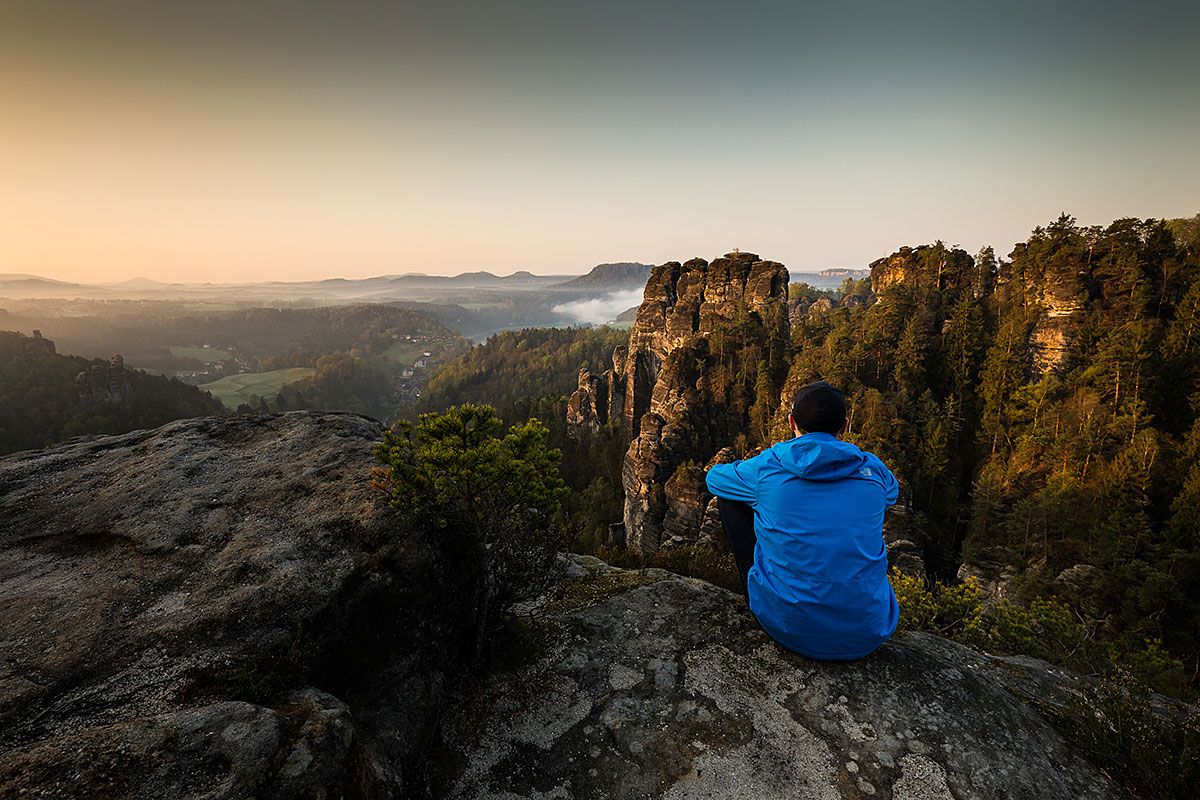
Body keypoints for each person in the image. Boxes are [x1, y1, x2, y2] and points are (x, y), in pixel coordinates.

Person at [705, 380, 899, 660]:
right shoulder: (873, 469)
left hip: (789, 627)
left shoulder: (769, 465)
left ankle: (763, 588)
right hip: (868, 630)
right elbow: (891, 492)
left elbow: (714, 479)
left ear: (791, 421)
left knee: (729, 497)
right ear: (844, 426)